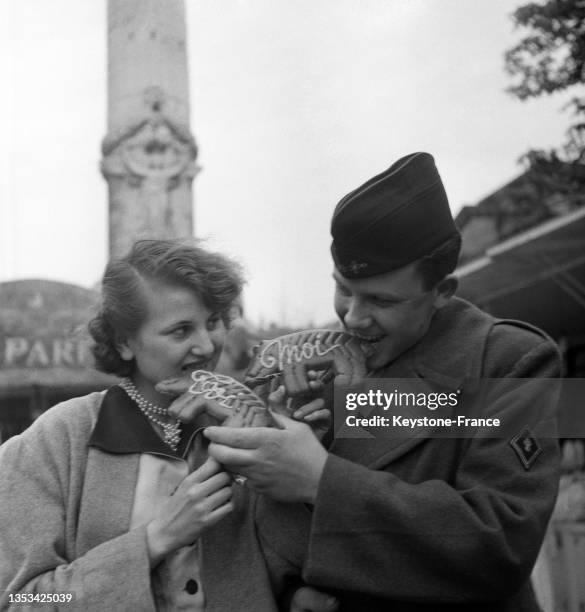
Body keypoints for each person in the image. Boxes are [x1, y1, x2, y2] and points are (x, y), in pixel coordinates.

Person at [202, 152, 562, 611]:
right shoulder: (314, 369)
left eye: (380, 300)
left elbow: (502, 543)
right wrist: (289, 592)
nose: (352, 317)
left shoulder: (511, 361)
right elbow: (266, 529)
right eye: (343, 289)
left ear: (442, 293)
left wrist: (320, 479)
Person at [0, 239, 330, 612]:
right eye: (181, 330)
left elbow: (293, 570)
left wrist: (303, 457)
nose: (206, 346)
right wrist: (156, 539)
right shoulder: (56, 440)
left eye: (213, 322)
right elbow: (22, 601)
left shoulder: (247, 429)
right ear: (125, 342)